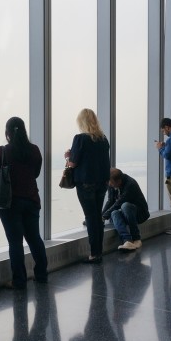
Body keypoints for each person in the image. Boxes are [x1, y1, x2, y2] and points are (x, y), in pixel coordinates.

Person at [0, 117, 48, 290]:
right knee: (35, 238)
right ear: (24, 131)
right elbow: (35, 174)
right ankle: (42, 275)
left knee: (15, 242)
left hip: (10, 203)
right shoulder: (34, 150)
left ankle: (19, 281)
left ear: (7, 132)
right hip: (32, 199)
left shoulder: (3, 151)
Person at [65, 108, 110, 264]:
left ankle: (94, 253)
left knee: (90, 217)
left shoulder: (80, 139)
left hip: (85, 183)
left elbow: (72, 163)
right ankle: (99, 251)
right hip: (102, 183)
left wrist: (67, 156)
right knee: (97, 216)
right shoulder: (103, 139)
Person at [102, 168, 150, 251]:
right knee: (114, 213)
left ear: (119, 181)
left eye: (111, 182)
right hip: (125, 213)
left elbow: (120, 202)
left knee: (125, 205)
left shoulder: (130, 184)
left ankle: (136, 239)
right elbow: (110, 201)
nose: (110, 184)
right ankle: (127, 241)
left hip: (139, 213)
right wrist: (101, 216)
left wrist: (104, 216)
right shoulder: (112, 185)